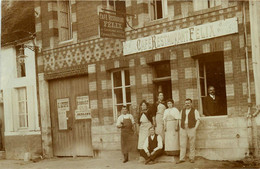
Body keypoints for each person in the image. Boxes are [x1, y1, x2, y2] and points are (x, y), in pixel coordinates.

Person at [177, 98, 200, 164]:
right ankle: (182, 158)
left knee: (192, 143)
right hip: (183, 128)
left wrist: (195, 128)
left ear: (191, 104)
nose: (187, 104)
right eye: (186, 103)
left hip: (191, 128)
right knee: (182, 144)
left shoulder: (194, 111)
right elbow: (179, 119)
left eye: (188, 103)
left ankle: (192, 158)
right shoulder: (182, 111)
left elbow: (198, 119)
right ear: (185, 104)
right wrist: (180, 126)